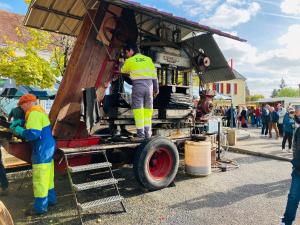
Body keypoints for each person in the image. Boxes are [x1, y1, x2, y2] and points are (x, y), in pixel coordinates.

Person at [10, 94, 56, 215]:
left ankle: (40, 208)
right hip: (48, 148)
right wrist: (22, 121)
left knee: (40, 180)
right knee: (48, 178)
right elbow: (35, 124)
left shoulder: (34, 114)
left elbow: (33, 134)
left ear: (28, 103)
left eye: (22, 106)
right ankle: (51, 200)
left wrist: (19, 130)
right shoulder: (39, 111)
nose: (22, 109)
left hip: (41, 150)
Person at [121, 42, 158, 139]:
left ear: (131, 51)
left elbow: (122, 71)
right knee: (147, 112)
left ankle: (140, 135)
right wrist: (156, 89)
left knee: (138, 112)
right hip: (149, 88)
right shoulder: (148, 59)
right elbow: (154, 76)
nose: (127, 55)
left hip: (138, 88)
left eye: (127, 52)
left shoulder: (130, 60)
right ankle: (148, 135)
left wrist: (122, 61)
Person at [281, 106, 300, 225]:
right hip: (298, 170)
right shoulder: (298, 130)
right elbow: (295, 147)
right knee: (293, 197)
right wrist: (296, 162)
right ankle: (287, 221)